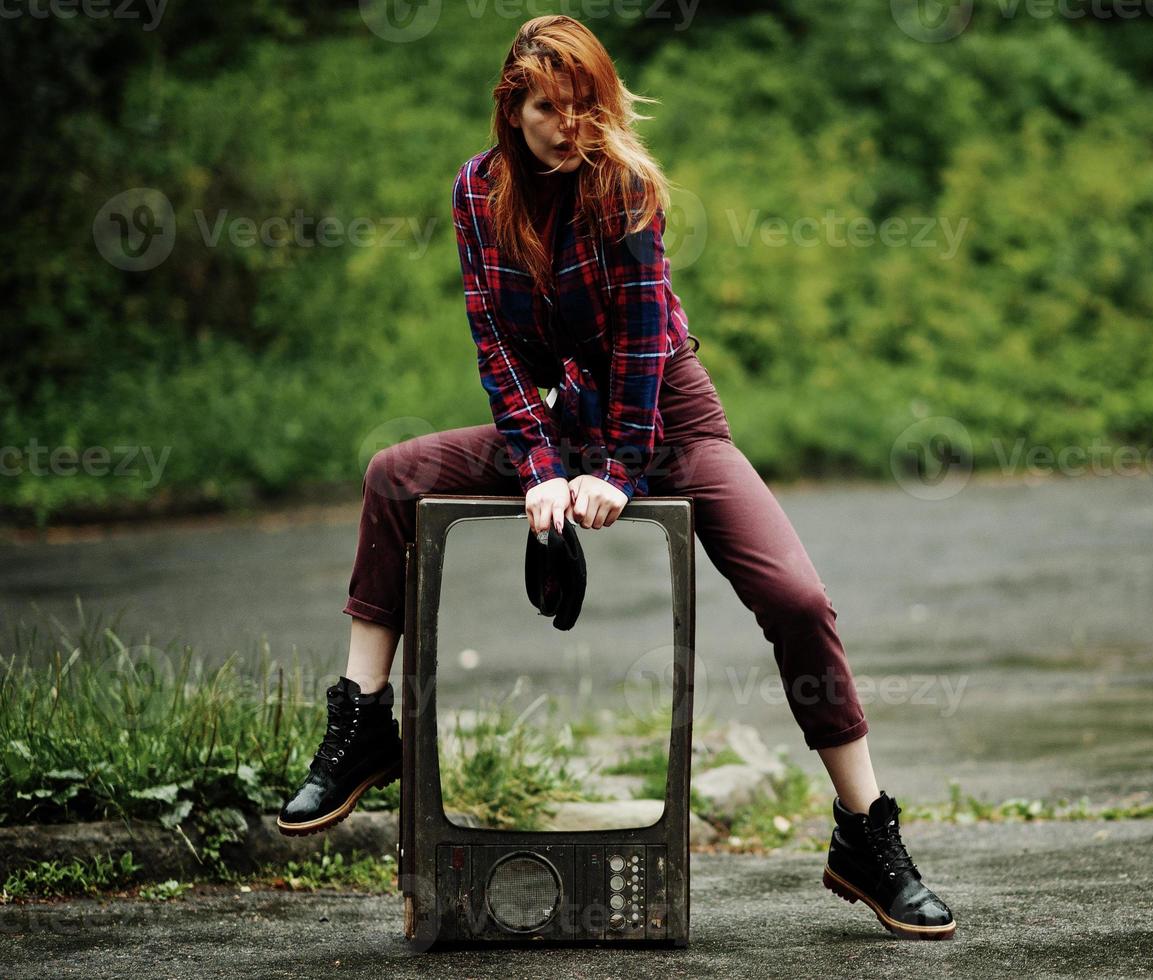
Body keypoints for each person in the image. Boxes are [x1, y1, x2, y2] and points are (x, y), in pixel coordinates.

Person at [276, 15, 955, 940]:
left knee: (797, 598)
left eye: (581, 104)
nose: (565, 124)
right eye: (545, 107)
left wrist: (621, 471)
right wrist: (542, 468)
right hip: (562, 418)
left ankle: (864, 835)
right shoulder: (476, 195)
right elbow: (497, 352)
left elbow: (640, 343)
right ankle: (362, 723)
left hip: (669, 417)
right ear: (509, 109)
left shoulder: (625, 186)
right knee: (395, 476)